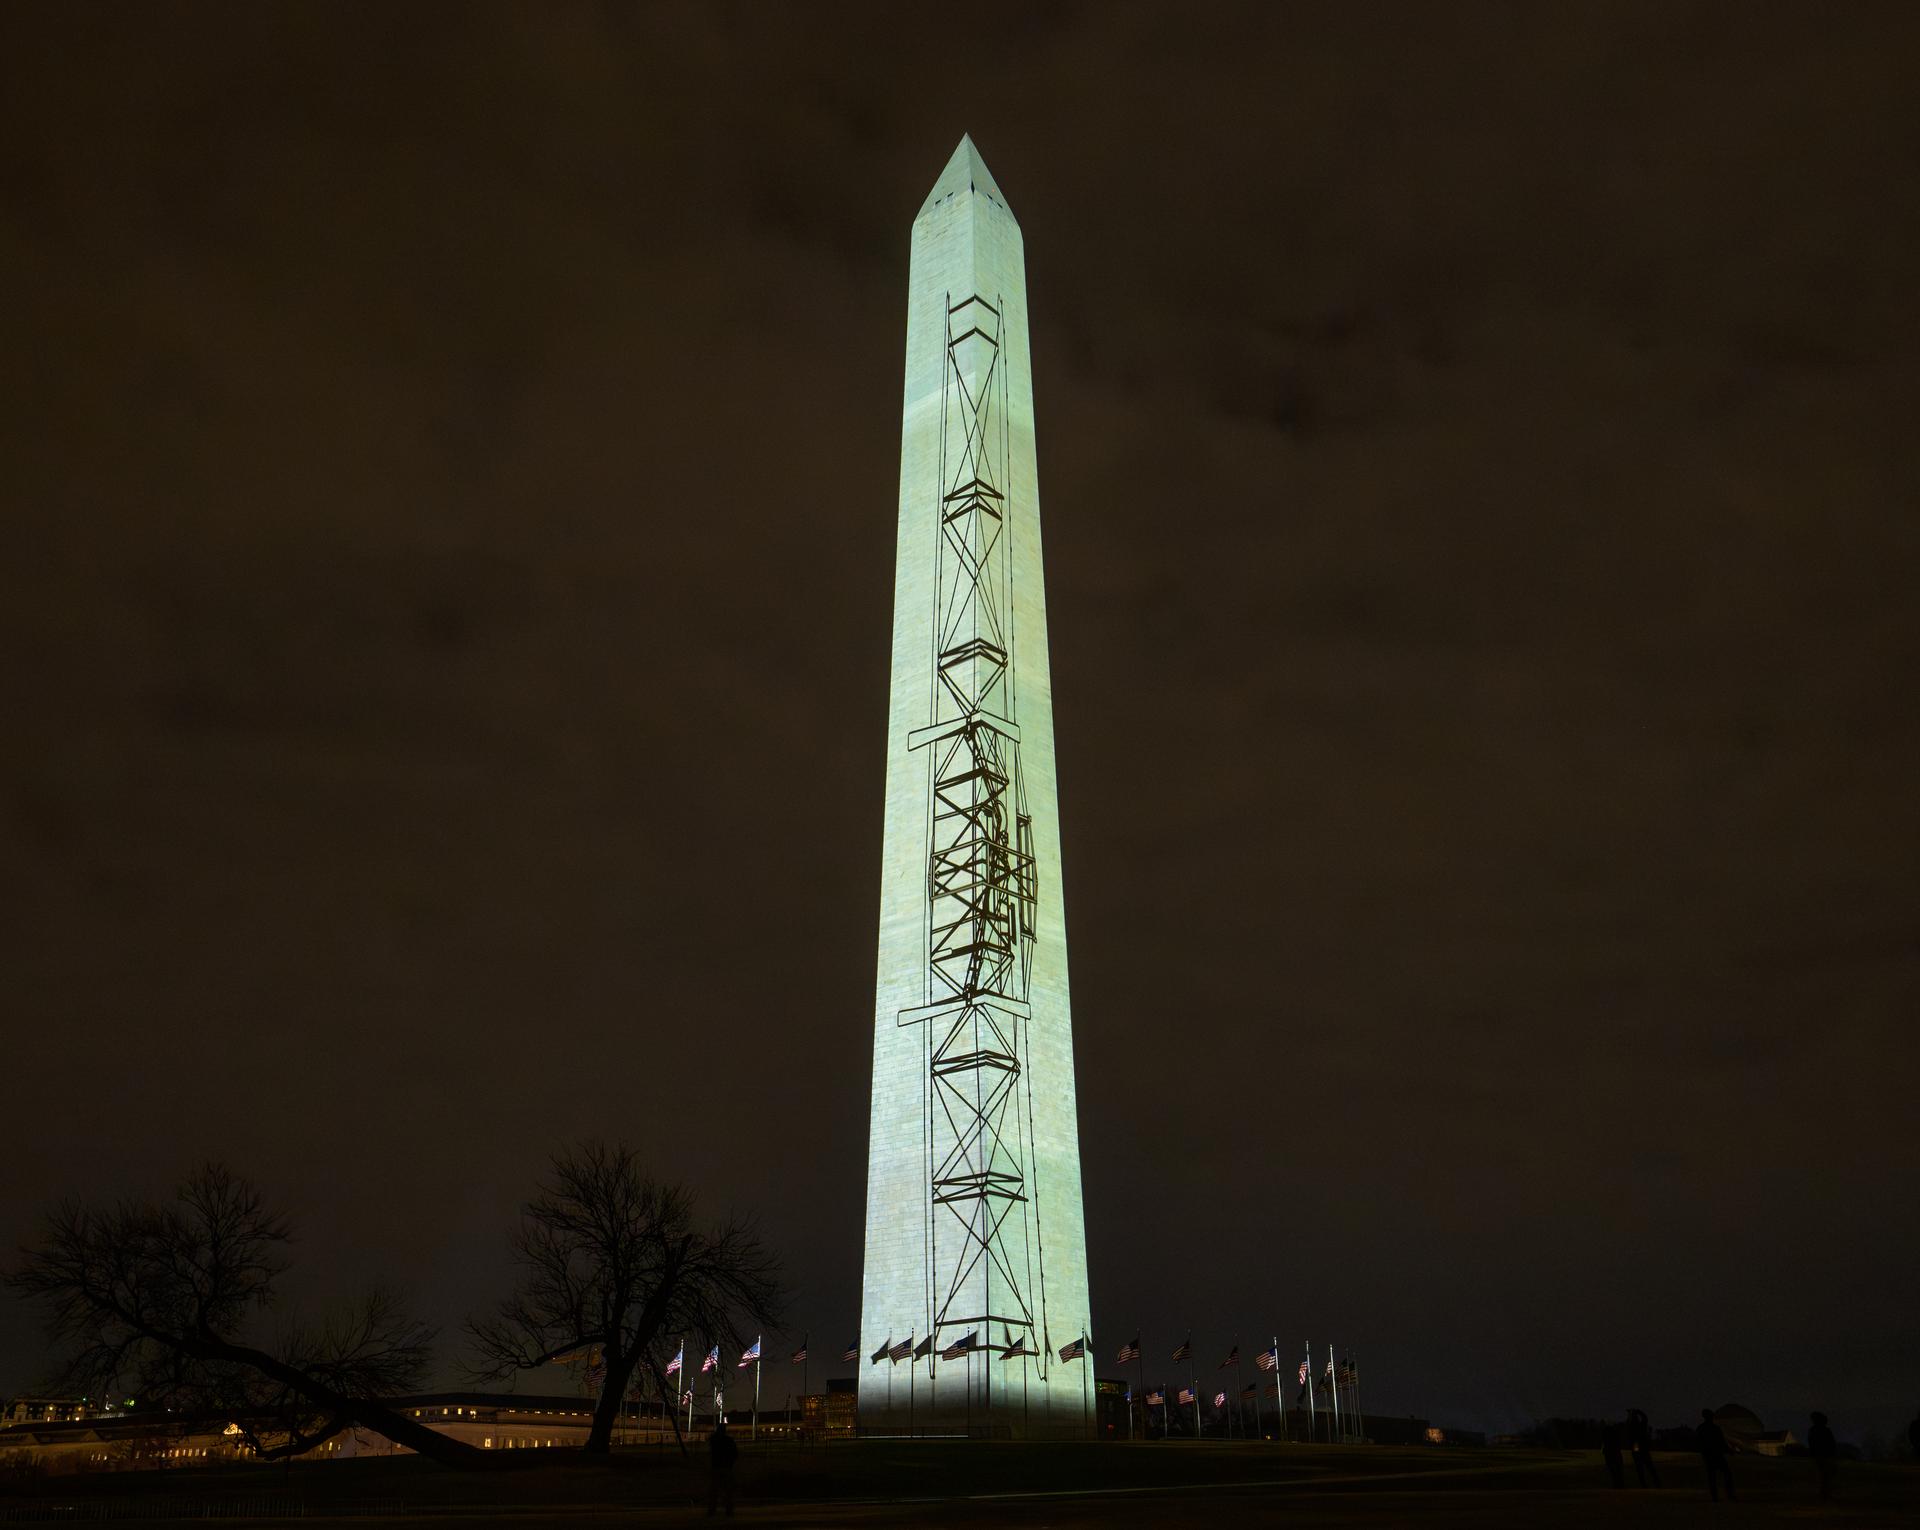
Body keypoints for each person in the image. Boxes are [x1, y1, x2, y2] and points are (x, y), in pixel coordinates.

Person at [1696, 1408, 1735, 1502]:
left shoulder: (1702, 1428)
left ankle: (1716, 1497)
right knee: (1725, 1474)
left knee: (1713, 1476)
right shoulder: (1714, 1428)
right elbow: (1721, 1442)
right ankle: (1728, 1495)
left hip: (1709, 1456)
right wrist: (1729, 1451)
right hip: (1716, 1455)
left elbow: (1699, 1442)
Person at [707, 1415, 738, 1518]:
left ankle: (712, 1510)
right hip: (726, 1468)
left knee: (714, 1491)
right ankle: (728, 1510)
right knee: (727, 1491)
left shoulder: (714, 1440)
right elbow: (735, 1454)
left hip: (716, 1467)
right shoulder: (729, 1441)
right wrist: (731, 1463)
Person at [1628, 1408, 1661, 1487]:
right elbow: (1645, 1418)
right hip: (1643, 1449)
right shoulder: (1641, 1425)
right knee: (1649, 1468)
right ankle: (1656, 1483)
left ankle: (1645, 1484)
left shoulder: (1632, 1427)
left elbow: (1634, 1441)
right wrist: (1638, 1411)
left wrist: (1633, 1413)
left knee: (1641, 1469)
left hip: (1639, 1449)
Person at [1808, 1411, 1836, 1500]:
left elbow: (1811, 1442)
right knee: (1825, 1475)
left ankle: (1823, 1493)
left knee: (1822, 1475)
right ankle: (1825, 1493)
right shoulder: (1825, 1430)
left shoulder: (1813, 1430)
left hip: (1820, 1455)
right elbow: (1832, 1443)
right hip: (1825, 1455)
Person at [1601, 1422, 1626, 1487]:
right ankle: (1619, 1484)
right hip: (1614, 1453)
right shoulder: (1615, 1434)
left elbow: (1604, 1443)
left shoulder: (1606, 1434)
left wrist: (1603, 1450)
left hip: (1610, 1453)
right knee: (1617, 1469)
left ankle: (1617, 1484)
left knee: (1613, 1470)